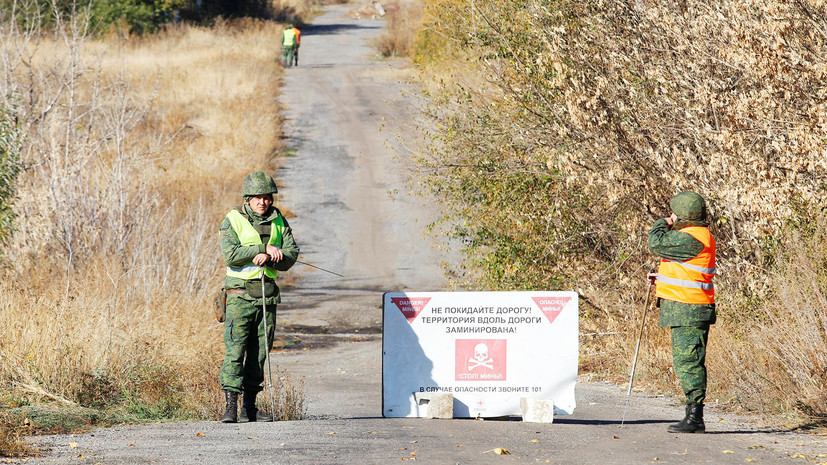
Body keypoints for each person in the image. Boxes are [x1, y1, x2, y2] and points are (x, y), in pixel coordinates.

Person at [218, 171, 300, 423]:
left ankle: (249, 409)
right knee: (235, 350)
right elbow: (231, 255)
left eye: (266, 197)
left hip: (266, 298)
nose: (262, 202)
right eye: (257, 198)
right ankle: (231, 408)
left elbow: (292, 253)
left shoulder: (279, 221)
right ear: (247, 198)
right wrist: (262, 249)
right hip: (239, 297)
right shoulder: (232, 220)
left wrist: (278, 256)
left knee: (259, 353)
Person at [647, 191, 715, 434]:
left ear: (684, 215)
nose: (672, 216)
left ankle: (695, 418)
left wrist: (660, 224)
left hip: (689, 310)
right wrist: (661, 277)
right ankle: (692, 416)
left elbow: (655, 243)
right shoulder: (692, 236)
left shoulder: (692, 238)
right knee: (687, 361)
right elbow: (687, 272)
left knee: (689, 363)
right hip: (686, 308)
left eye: (675, 213)